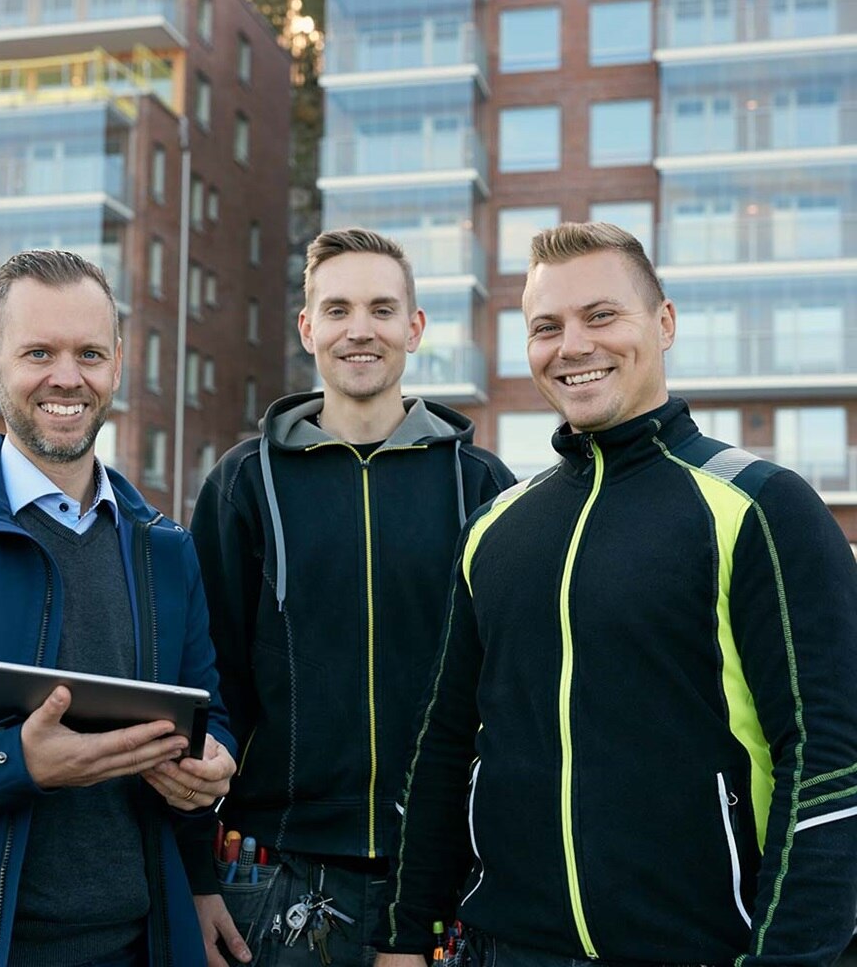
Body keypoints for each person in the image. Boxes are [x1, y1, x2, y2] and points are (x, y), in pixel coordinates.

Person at [373, 222, 857, 967]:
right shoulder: (493, 528)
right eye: (546, 326)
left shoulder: (759, 507)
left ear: (662, 325)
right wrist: (407, 937)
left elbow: (829, 757)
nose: (572, 345)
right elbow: (443, 746)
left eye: (601, 316)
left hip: (702, 950)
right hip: (503, 950)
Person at [0, 249, 237, 967]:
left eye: (89, 353)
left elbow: (207, 715)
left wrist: (213, 768)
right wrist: (14, 762)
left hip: (136, 949)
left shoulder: (165, 550)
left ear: (117, 365)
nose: (68, 377)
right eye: (39, 352)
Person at [185, 228, 516, 967]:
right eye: (336, 310)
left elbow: (512, 695)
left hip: (444, 878)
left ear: (414, 327)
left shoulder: (483, 487)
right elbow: (206, 690)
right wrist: (196, 877)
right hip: (276, 875)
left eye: (381, 308)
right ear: (308, 328)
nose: (358, 329)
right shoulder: (244, 485)